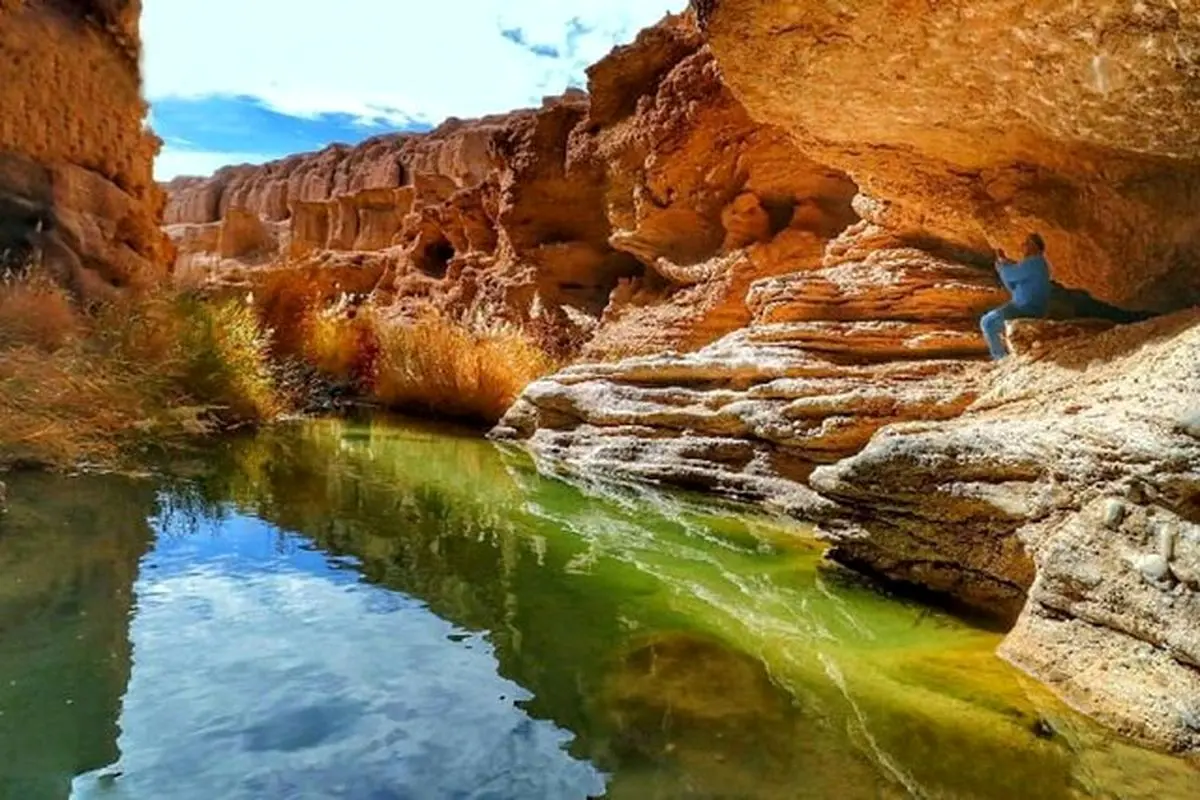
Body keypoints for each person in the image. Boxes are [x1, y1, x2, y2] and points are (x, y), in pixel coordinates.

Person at [980, 232, 1052, 360]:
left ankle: (1000, 358)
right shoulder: (1037, 264)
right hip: (1027, 307)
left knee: (988, 322)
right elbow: (1011, 285)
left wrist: (1002, 264)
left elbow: (1009, 275)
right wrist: (1004, 266)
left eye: (1027, 243)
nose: (1023, 246)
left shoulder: (1034, 262)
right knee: (992, 322)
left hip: (1026, 308)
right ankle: (1003, 356)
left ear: (1034, 246)